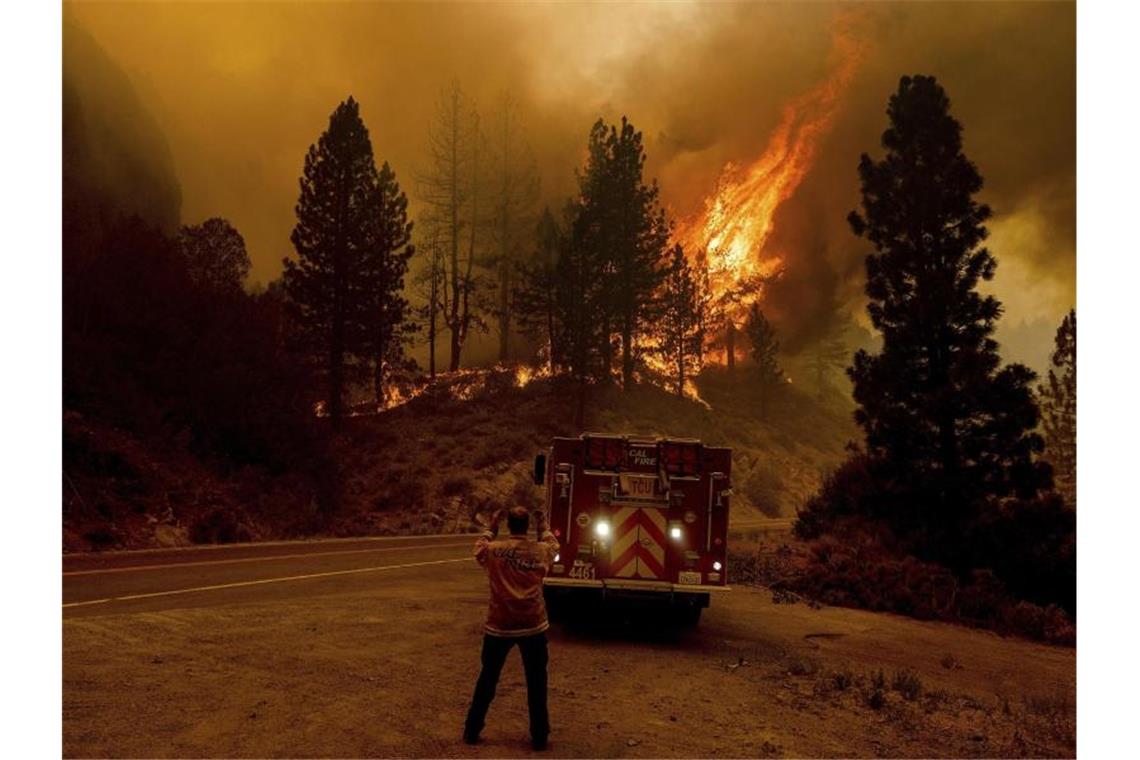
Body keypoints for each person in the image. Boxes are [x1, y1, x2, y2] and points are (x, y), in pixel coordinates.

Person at [463, 506, 559, 751]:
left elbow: (479, 548)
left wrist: (491, 528)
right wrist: (544, 526)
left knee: (488, 678)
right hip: (533, 625)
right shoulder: (540, 551)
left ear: (508, 525)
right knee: (537, 681)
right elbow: (554, 547)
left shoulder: (494, 551)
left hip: (499, 625)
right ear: (527, 526)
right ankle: (539, 735)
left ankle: (472, 730)